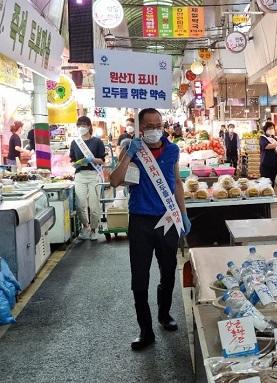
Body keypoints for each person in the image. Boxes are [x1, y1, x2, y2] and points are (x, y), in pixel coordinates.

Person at [110, 108, 190, 351]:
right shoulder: (132, 149)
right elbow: (114, 181)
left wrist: (184, 214)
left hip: (168, 219)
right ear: (140, 127)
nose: (155, 129)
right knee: (139, 277)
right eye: (149, 125)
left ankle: (164, 314)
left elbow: (176, 181)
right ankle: (145, 330)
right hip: (141, 221)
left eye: (159, 124)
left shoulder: (173, 149)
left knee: (168, 272)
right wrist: (128, 155)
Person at [69, 116, 106, 241]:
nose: (81, 128)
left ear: (89, 126)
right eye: (79, 126)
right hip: (80, 175)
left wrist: (92, 159)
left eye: (83, 125)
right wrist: (76, 163)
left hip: (93, 175)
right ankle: (86, 226)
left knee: (94, 205)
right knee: (80, 205)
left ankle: (94, 229)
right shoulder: (75, 142)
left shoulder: (97, 142)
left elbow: (102, 161)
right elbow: (72, 160)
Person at [259, 121, 277, 186]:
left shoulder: (274, 138)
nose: (271, 130)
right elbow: (266, 146)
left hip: (274, 164)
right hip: (266, 164)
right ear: (266, 129)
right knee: (266, 183)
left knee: (272, 182)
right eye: (269, 128)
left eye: (272, 128)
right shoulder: (262, 138)